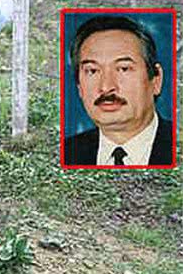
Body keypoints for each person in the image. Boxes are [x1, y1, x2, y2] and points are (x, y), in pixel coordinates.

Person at [64, 15, 173, 166]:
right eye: (92, 71)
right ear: (79, 87)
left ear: (156, 79)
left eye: (123, 69)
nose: (106, 87)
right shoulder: (67, 152)